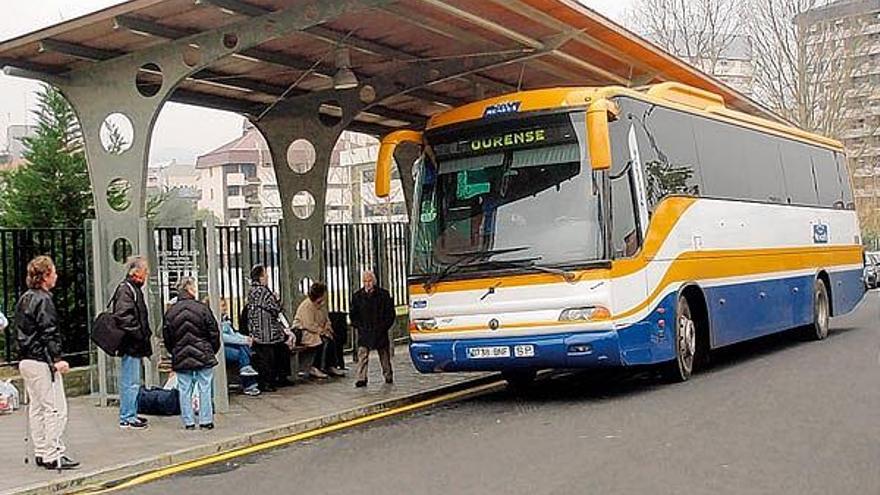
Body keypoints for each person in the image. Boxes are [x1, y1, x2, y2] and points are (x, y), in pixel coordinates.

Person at [16, 256, 79, 470]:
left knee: (37, 407)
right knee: (55, 409)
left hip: (26, 360)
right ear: (45, 276)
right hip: (41, 360)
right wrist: (57, 359)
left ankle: (41, 451)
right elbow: (49, 331)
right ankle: (54, 454)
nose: (56, 275)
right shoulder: (44, 300)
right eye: (53, 272)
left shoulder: (24, 298)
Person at [162, 277, 221, 430]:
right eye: (194, 287)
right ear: (189, 289)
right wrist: (211, 350)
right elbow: (214, 332)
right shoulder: (202, 308)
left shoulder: (170, 312)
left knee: (184, 388)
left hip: (181, 355)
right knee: (205, 386)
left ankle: (188, 422)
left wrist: (174, 351)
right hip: (203, 353)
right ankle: (205, 420)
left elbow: (167, 337)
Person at [111, 256, 153, 430]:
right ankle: (127, 417)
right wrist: (139, 333)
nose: (147, 275)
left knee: (133, 380)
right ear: (135, 272)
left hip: (134, 343)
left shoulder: (132, 289)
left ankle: (131, 413)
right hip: (131, 343)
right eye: (145, 271)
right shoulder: (126, 290)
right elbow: (123, 316)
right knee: (131, 381)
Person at [246, 265, 292, 391]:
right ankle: (269, 382)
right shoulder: (263, 291)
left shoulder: (251, 291)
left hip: (256, 330)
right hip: (267, 332)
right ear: (260, 277)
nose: (267, 277)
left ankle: (269, 380)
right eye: (265, 275)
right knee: (269, 357)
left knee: (265, 356)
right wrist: (277, 299)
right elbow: (275, 308)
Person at [350, 271, 396, 388]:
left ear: (374, 282)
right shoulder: (357, 296)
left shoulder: (383, 295)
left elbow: (390, 314)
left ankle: (388, 375)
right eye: (365, 281)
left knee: (384, 355)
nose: (367, 284)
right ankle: (361, 378)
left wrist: (384, 326)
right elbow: (353, 315)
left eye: (369, 281)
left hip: (379, 330)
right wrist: (359, 326)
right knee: (362, 355)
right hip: (364, 331)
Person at [293, 282, 340, 379]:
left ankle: (330, 365)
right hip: (304, 332)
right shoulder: (307, 306)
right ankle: (315, 367)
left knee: (332, 339)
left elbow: (326, 319)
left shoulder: (321, 305)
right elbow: (309, 324)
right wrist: (322, 331)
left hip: (317, 330)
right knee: (322, 341)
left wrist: (328, 327)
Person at [221, 315, 260, 396]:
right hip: (221, 348)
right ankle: (250, 385)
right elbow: (222, 337)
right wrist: (243, 341)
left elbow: (234, 334)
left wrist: (246, 338)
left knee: (242, 349)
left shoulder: (225, 320)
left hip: (230, 345)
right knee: (243, 350)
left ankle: (246, 369)